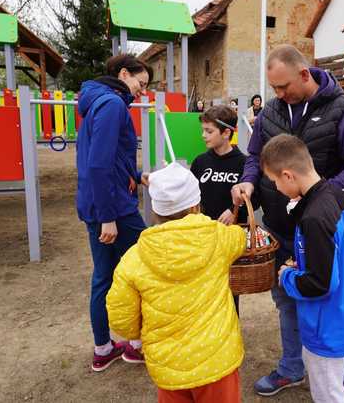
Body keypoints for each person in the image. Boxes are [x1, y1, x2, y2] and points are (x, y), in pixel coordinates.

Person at [231, 44, 344, 396]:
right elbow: (254, 156)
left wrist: (323, 199)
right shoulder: (270, 111)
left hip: (323, 227)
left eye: (283, 87)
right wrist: (250, 179)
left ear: (304, 73)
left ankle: (336, 372)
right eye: (274, 89)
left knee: (328, 296)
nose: (279, 95)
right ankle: (293, 367)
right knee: (286, 297)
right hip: (280, 227)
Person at [106, 163, 246, 403]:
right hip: (217, 360)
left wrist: (143, 331)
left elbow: (122, 320)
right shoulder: (219, 237)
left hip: (168, 365)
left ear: (156, 210)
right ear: (195, 204)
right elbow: (240, 238)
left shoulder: (133, 258)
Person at [261, 134, 344, 403]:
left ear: (288, 175)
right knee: (337, 381)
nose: (277, 188)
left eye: (274, 182)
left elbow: (320, 284)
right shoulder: (337, 196)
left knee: (328, 394)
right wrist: (308, 261)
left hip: (324, 326)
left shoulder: (313, 218)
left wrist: (288, 275)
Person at [76, 53, 153, 371]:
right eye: (140, 82)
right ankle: (136, 345)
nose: (142, 91)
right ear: (124, 74)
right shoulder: (112, 105)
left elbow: (111, 157)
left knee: (104, 277)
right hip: (113, 208)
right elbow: (98, 164)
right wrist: (109, 216)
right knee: (146, 267)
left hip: (98, 204)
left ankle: (103, 348)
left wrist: (136, 176)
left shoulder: (98, 100)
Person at [190, 105, 251, 313]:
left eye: (209, 131)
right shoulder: (200, 162)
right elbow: (192, 197)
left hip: (230, 239)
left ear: (226, 133)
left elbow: (254, 199)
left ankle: (230, 330)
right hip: (204, 237)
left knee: (229, 290)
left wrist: (234, 208)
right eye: (203, 130)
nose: (203, 135)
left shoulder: (243, 164)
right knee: (204, 288)